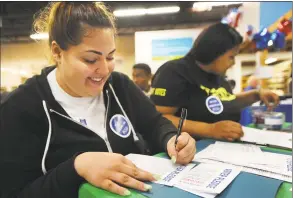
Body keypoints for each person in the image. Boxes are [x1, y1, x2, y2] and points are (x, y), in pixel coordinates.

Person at [0, 2, 196, 198]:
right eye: (90, 60)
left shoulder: (119, 86)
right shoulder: (21, 108)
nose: (104, 71)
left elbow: (154, 124)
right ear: (57, 52)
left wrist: (172, 138)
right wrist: (76, 167)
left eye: (110, 57)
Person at [150, 23, 279, 142]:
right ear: (214, 52)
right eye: (231, 57)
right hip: (188, 153)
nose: (233, 63)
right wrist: (209, 130)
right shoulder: (175, 72)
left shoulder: (217, 75)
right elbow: (160, 118)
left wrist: (255, 95)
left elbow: (223, 103)